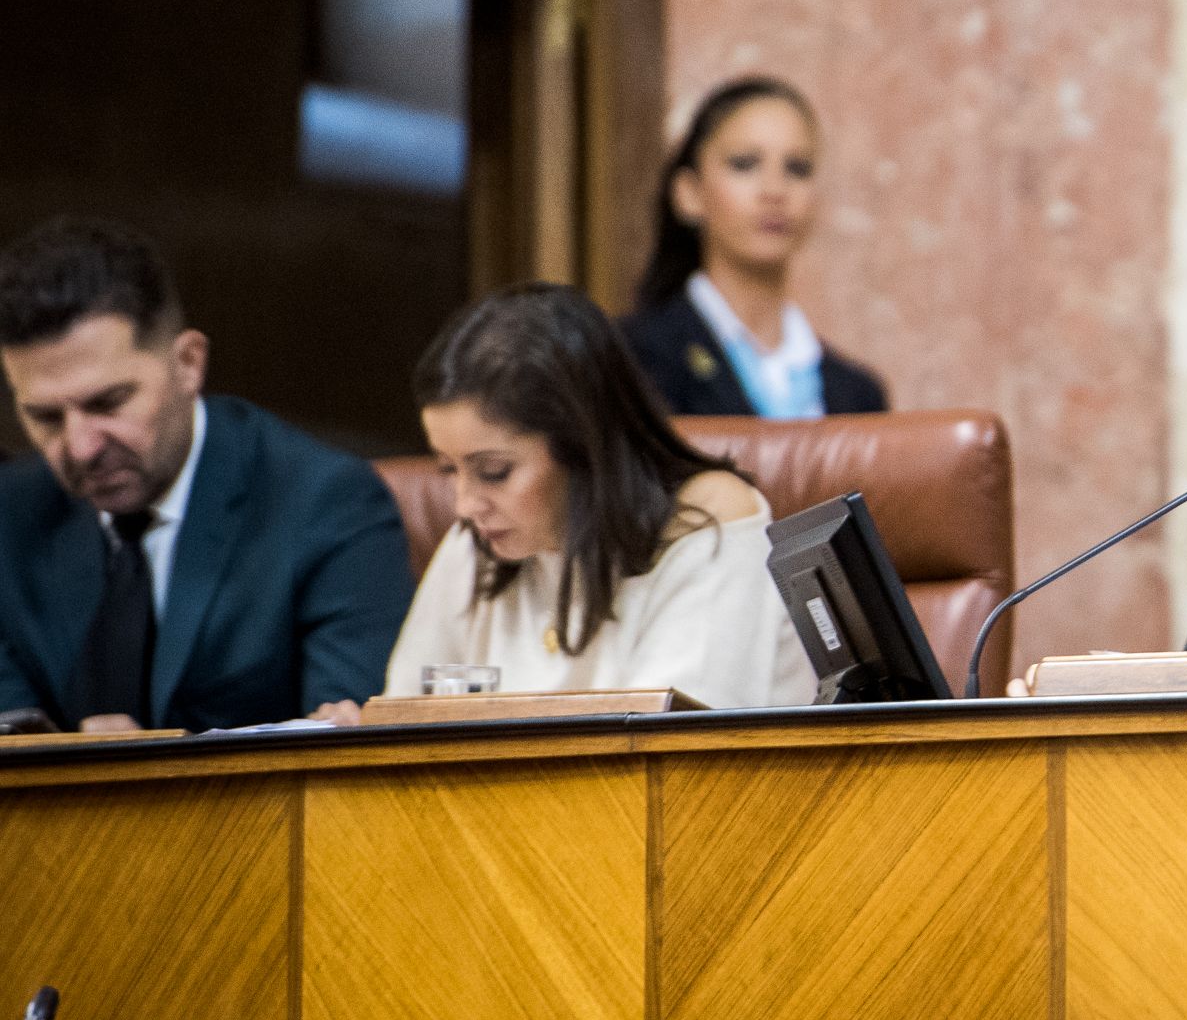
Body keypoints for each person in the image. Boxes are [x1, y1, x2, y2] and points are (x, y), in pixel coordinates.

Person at [0, 218, 412, 731]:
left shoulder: (326, 504)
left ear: (189, 364)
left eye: (108, 403)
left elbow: (340, 753)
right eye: (44, 418)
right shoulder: (11, 515)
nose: (81, 447)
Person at [375, 283, 816, 710]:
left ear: (581, 446)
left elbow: (666, 764)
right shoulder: (478, 542)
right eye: (449, 470)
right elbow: (398, 731)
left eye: (494, 472)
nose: (464, 505)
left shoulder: (710, 527)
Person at [621, 76, 887, 418]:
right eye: (744, 164)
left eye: (797, 169)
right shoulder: (633, 359)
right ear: (689, 192)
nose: (775, 190)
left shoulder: (858, 392)